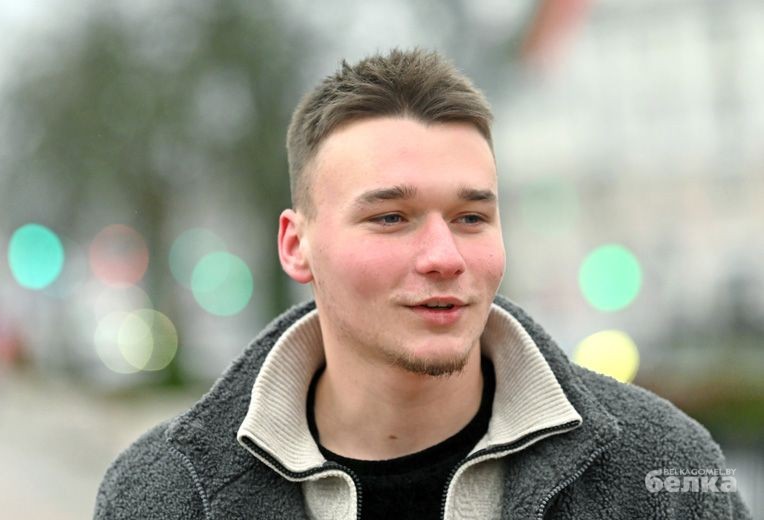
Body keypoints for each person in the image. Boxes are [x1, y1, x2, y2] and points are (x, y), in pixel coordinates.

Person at [94, 49, 751, 519]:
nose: (444, 256)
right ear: (296, 246)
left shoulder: (659, 469)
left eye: (471, 218)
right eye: (391, 218)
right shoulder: (163, 495)